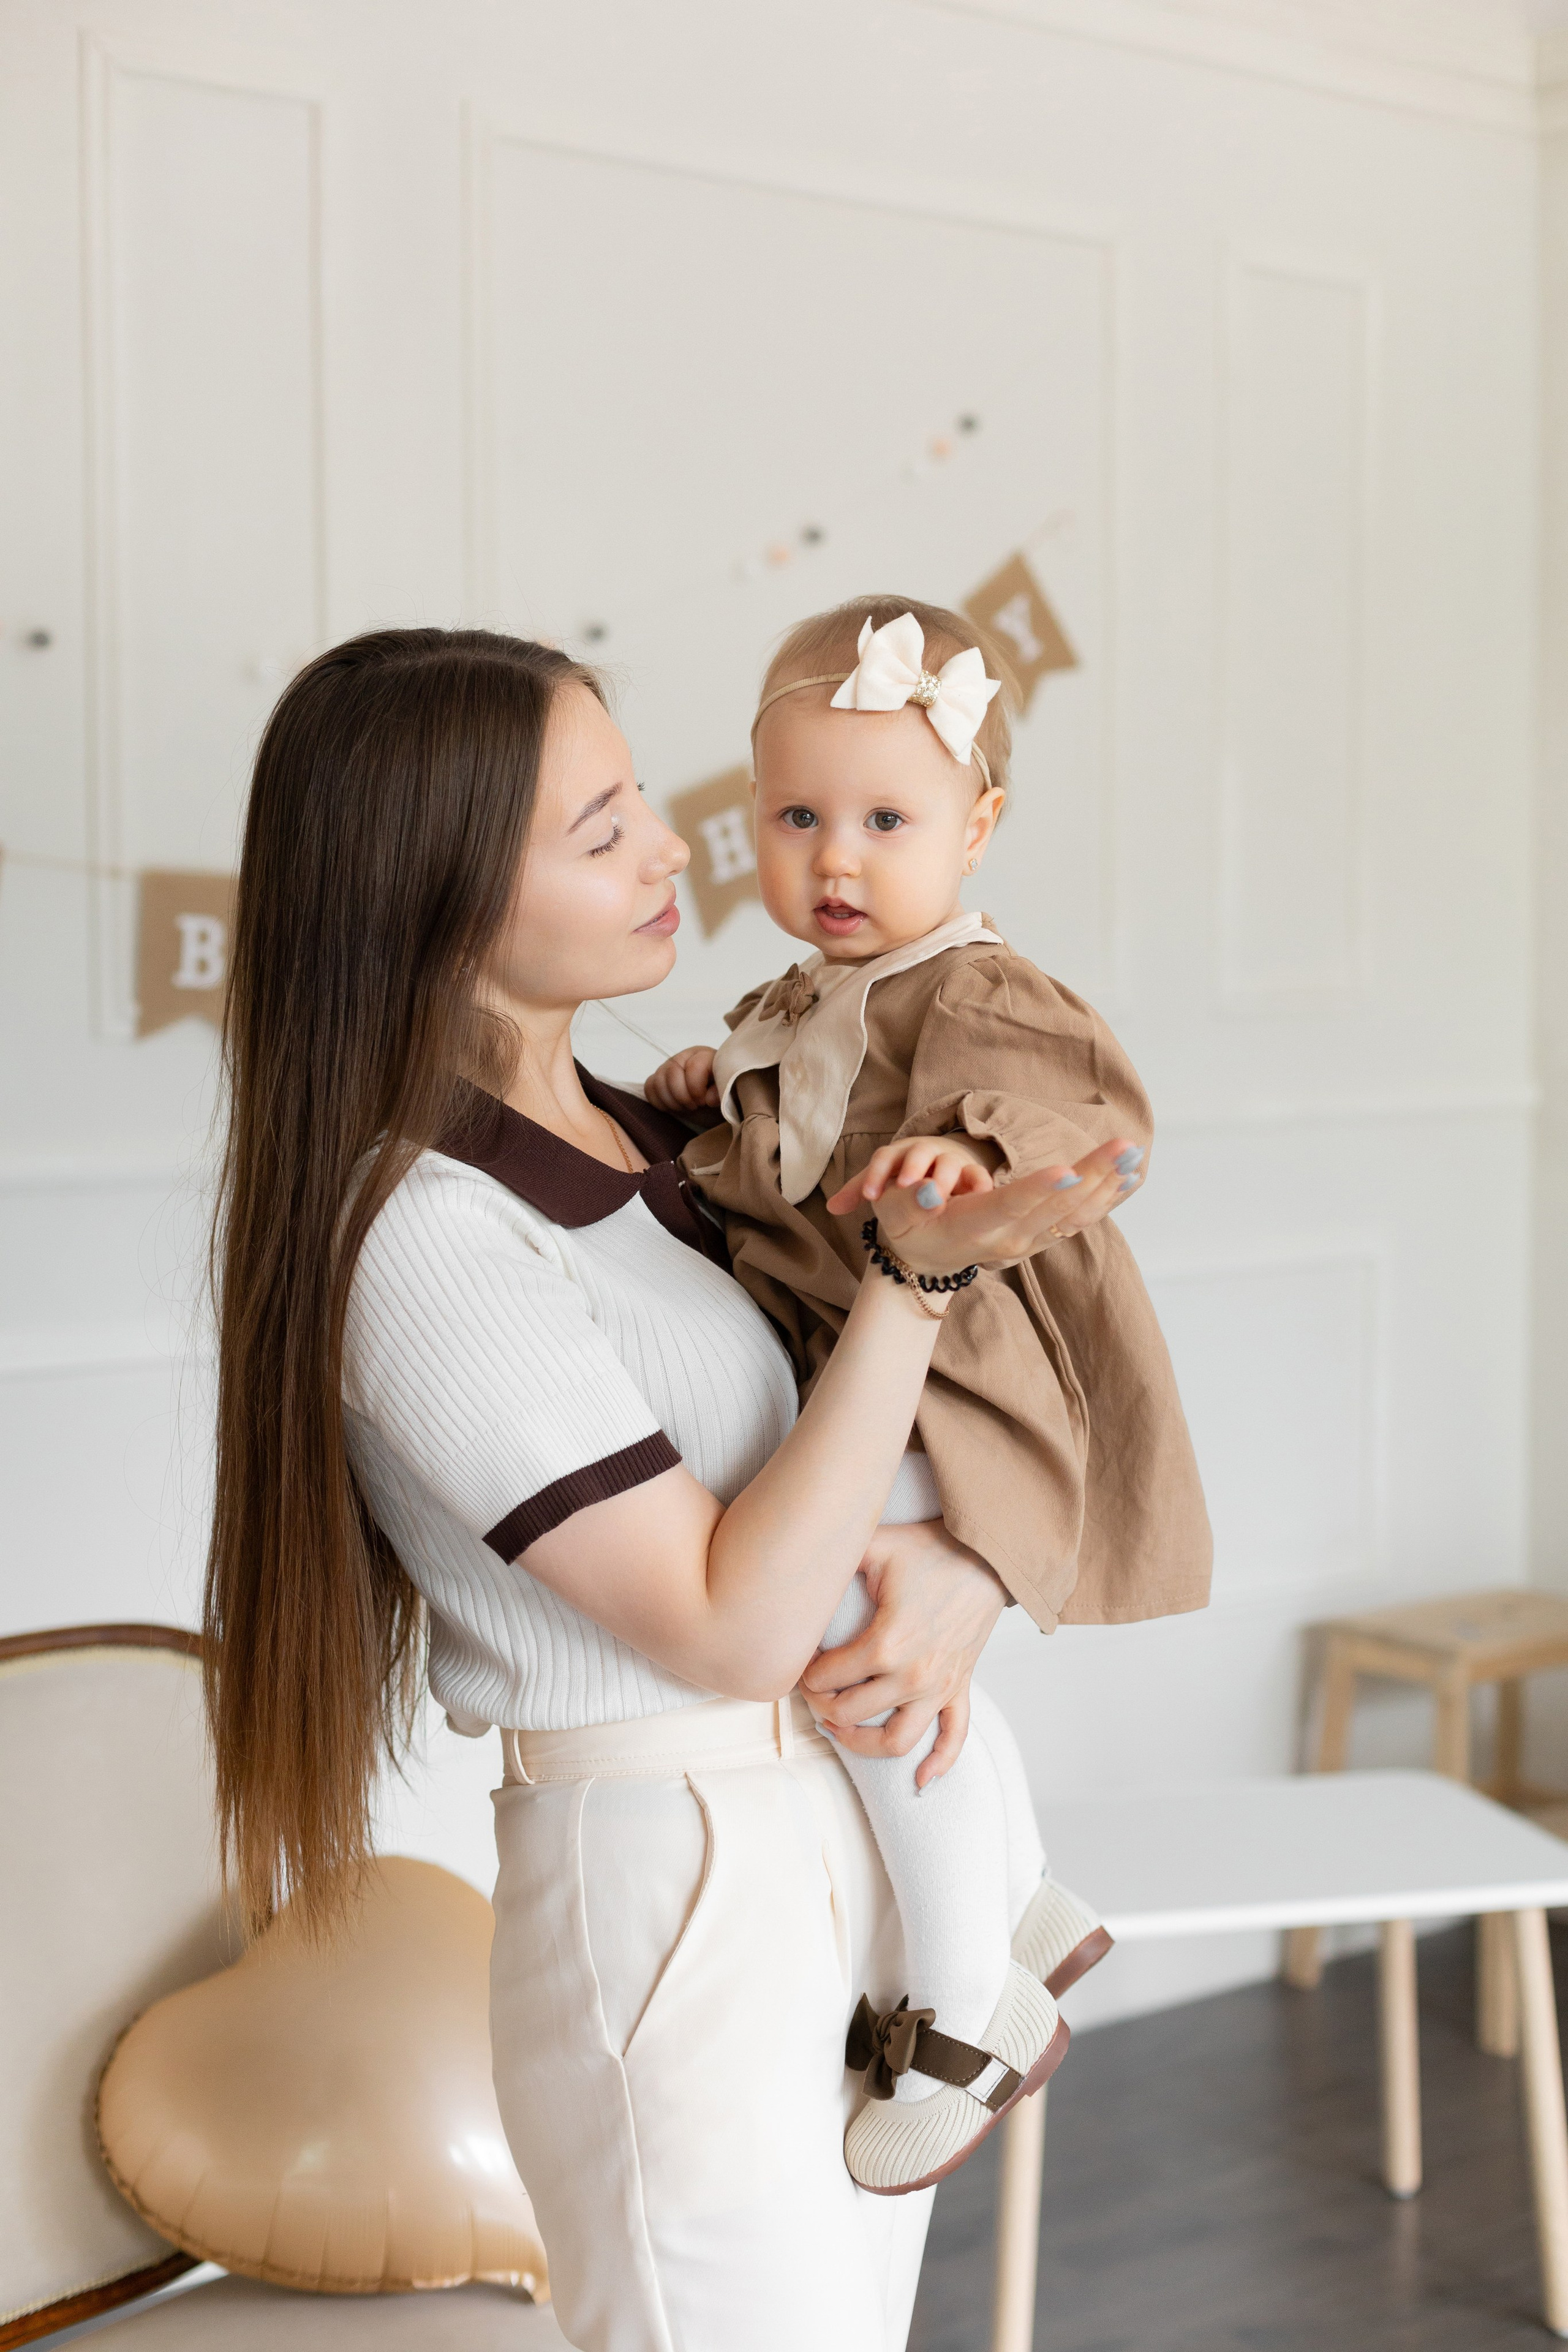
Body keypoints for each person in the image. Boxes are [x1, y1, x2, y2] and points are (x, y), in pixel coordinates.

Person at [202, 627, 1123, 2352]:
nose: (666, 848)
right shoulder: (418, 1233)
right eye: (597, 826)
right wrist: (917, 1287)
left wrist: (968, 1576)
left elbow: (862, 1472)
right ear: (437, 889)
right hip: (674, 1881)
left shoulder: (679, 1143)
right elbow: (726, 1619)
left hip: (839, 1827)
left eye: (642, 798)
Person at [646, 597, 1212, 2195]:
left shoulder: (976, 994)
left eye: (886, 821)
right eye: (796, 817)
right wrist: (711, 1086)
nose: (836, 857)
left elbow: (1091, 1125)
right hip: (859, 1387)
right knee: (881, 1655)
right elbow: (781, 1146)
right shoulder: (799, 998)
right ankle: (1026, 1897)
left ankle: (966, 2008)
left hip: (951, 1374)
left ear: (979, 827)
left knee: (867, 1669)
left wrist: (966, 1156)